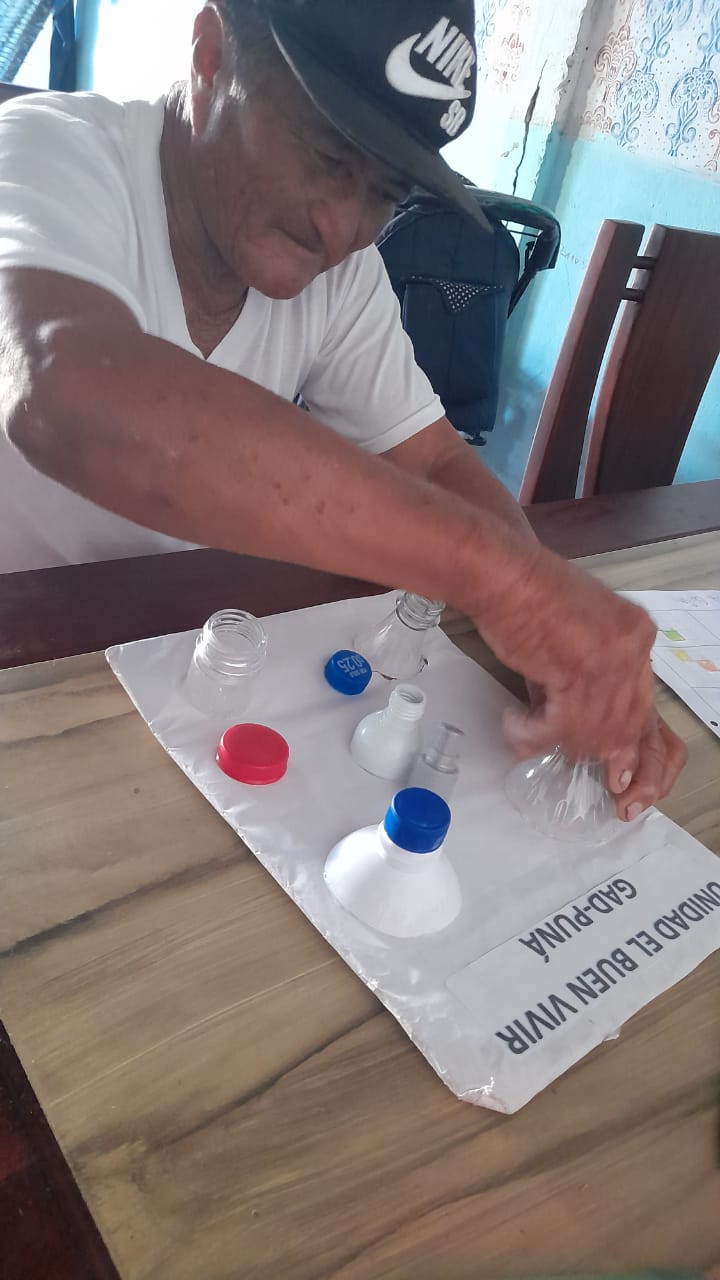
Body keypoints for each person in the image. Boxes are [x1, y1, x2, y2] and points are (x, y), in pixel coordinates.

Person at [0, 0, 685, 816]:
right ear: (211, 56)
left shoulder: (345, 276)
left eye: (386, 193)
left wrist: (559, 642)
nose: (342, 230)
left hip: (181, 655)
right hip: (27, 655)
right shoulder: (49, 154)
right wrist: (507, 583)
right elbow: (69, 394)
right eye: (326, 157)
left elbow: (432, 458)